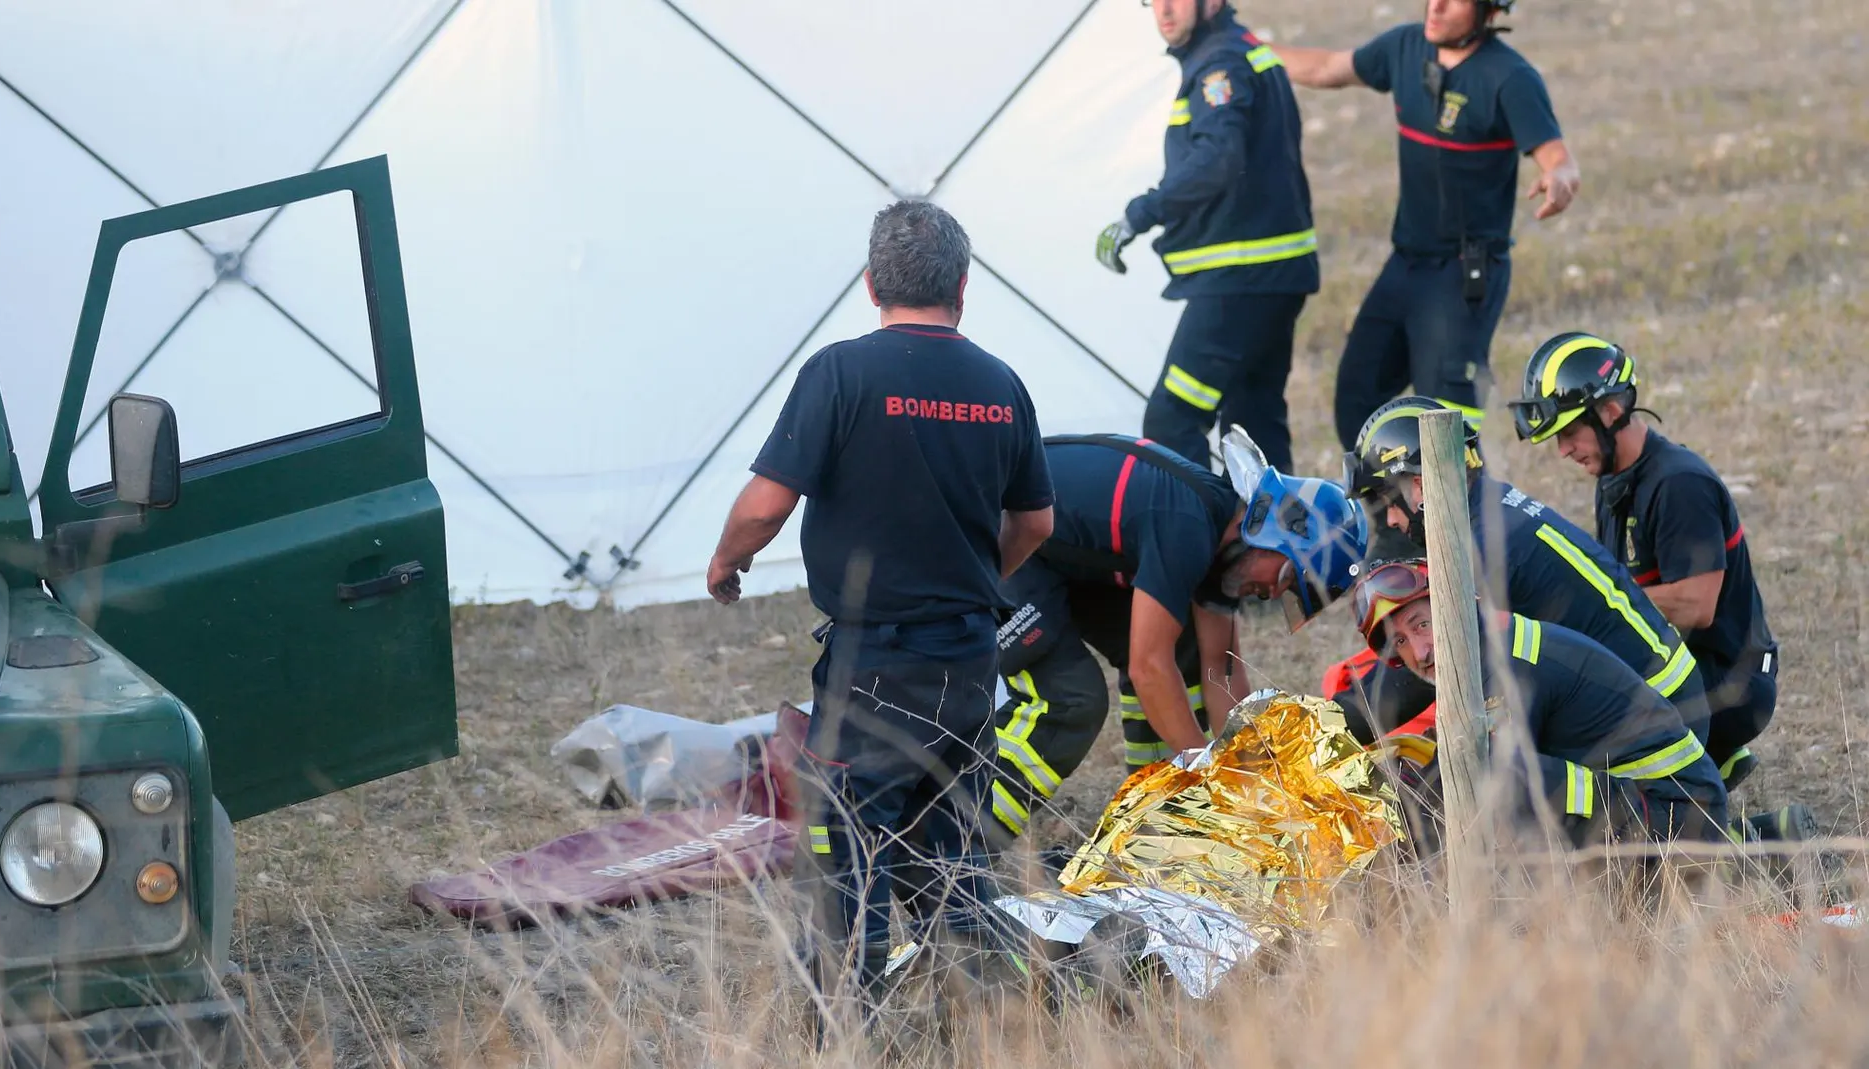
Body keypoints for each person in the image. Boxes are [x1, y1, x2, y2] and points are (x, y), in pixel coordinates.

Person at [705, 200, 1056, 1034]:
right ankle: (1001, 1026)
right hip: (969, 662)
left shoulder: (840, 373)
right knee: (954, 863)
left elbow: (766, 505)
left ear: (871, 284)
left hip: (873, 666)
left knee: (847, 858)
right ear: (962, 287)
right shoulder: (1001, 384)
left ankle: (842, 1035)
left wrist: (727, 561)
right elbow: (1036, 522)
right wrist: (971, 580)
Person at [984, 431, 1367, 844]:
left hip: (1059, 554)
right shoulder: (1187, 527)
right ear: (1277, 532)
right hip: (996, 538)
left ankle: (1155, 806)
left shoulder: (1223, 535)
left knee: (1184, 651)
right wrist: (1206, 778)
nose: (1273, 594)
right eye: (1287, 578)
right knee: (1072, 699)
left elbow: (1220, 671)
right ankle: (959, 842)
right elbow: (1148, 668)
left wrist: (1250, 776)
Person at [1342, 396, 1718, 767]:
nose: (1390, 520)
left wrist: (1330, 724)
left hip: (1654, 727)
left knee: (1482, 773)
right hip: (1667, 697)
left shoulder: (1478, 549)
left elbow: (1429, 667)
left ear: (1421, 485)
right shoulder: (1489, 508)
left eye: (1388, 501)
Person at [1272, 0, 1580, 449]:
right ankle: (1392, 496)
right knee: (1357, 401)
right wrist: (1251, 49)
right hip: (1406, 264)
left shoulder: (1510, 78)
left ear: (1489, 11)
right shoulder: (1403, 47)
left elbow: (1559, 158)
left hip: (1463, 274)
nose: (1435, 7)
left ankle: (1465, 497)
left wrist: (1559, 180)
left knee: (1446, 426)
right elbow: (1326, 68)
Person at [1506, 331, 1780, 789]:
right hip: (1688, 670)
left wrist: (1594, 604)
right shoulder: (1614, 480)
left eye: (1570, 433)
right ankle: (1708, 768)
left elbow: (1696, 605)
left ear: (1611, 411)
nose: (1563, 450)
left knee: (1574, 719)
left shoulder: (1679, 484)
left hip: (1733, 686)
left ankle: (1691, 788)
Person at [1351, 559, 1729, 847]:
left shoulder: (1505, 667)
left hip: (1681, 822)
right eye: (1400, 641)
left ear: (1455, 606)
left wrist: (1404, 835)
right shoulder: (1486, 651)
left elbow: (1481, 780)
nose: (1420, 652)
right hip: (1653, 805)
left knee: (1496, 771)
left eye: (1421, 624)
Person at [1094, 0, 1319, 474]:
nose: (1163, 10)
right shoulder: (1242, 50)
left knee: (1172, 419)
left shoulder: (1221, 65)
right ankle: (1279, 525)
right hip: (1272, 276)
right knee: (1253, 427)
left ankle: (1196, 525)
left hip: (1239, 278)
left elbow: (1218, 157)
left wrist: (1140, 213)